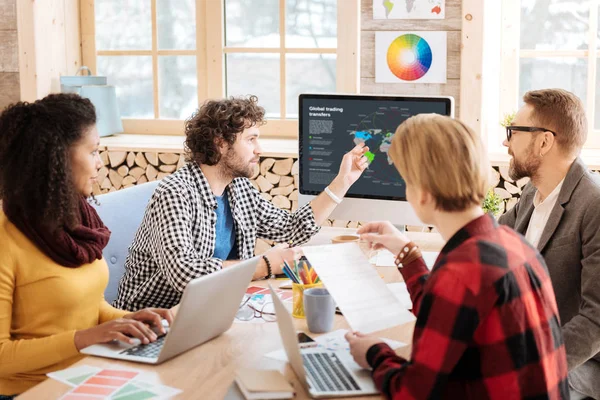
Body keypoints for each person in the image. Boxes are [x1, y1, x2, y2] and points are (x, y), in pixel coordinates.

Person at [344, 114, 568, 399]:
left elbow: (412, 393)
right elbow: (447, 314)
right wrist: (406, 252)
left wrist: (374, 353)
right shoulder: (513, 244)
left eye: (407, 182)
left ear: (423, 194)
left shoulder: (461, 271)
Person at [114, 95, 369, 311]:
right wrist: (265, 264)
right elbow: (185, 274)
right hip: (152, 322)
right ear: (221, 143)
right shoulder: (176, 193)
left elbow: (291, 228)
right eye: (251, 139)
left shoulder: (239, 188)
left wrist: (342, 181)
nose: (259, 149)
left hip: (210, 309)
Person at [0, 94, 173, 398]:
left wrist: (128, 320)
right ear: (56, 156)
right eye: (93, 151)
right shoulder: (6, 238)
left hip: (89, 373)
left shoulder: (78, 219)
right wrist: (85, 338)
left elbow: (88, 307)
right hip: (31, 390)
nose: (100, 163)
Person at [498, 88, 600, 400]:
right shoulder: (533, 193)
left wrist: (532, 365)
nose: (506, 141)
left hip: (574, 364)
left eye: (513, 132)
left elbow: (596, 320)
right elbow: (487, 241)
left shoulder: (593, 205)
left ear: (544, 142)